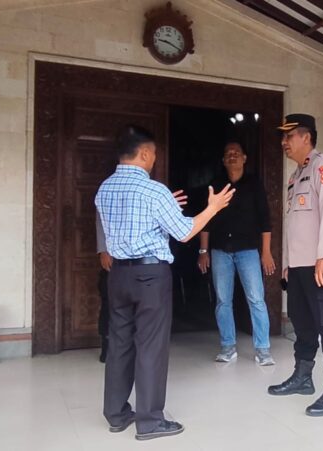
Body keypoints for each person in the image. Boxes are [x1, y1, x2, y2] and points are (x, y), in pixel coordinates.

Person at [96, 125, 234, 441]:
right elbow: (184, 232)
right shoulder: (154, 191)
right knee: (151, 346)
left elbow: (131, 222)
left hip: (118, 275)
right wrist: (212, 208)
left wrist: (164, 205)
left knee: (119, 344)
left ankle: (116, 414)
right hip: (149, 277)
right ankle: (149, 421)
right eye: (155, 154)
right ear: (145, 153)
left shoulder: (104, 188)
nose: (155, 159)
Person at [267, 114, 323, 417]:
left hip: (321, 265)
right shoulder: (295, 176)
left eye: (289, 136)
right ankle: (303, 377)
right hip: (300, 267)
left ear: (306, 137)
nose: (284, 142)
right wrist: (288, 264)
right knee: (302, 324)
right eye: (283, 137)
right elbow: (294, 224)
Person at [197, 142, 276, 365]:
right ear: (223, 160)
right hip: (220, 250)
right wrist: (203, 251)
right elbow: (206, 220)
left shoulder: (254, 184)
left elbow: (265, 220)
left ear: (244, 158)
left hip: (248, 250)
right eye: (228, 153)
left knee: (256, 299)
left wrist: (266, 252)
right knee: (223, 300)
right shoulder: (216, 185)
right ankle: (228, 347)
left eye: (236, 153)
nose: (232, 156)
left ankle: (263, 349)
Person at [96, 215, 111, 363]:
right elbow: (100, 221)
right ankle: (106, 345)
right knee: (108, 302)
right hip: (112, 255)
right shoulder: (107, 198)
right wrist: (103, 251)